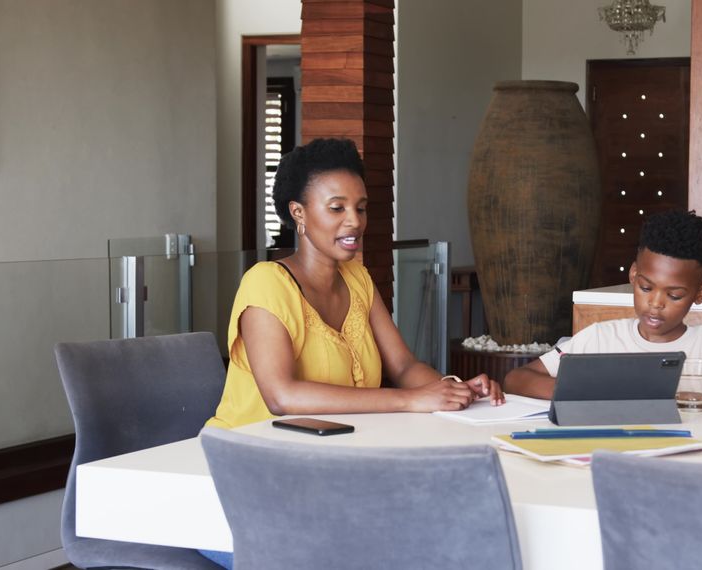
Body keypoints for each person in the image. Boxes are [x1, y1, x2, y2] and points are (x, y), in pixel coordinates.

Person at [207, 138, 503, 431]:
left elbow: (403, 367)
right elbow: (282, 396)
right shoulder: (266, 282)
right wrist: (409, 400)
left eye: (360, 209)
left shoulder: (357, 278)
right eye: (337, 208)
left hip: (330, 449)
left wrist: (454, 389)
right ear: (299, 212)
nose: (355, 221)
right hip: (243, 454)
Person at [504, 209, 702, 408]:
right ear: (633, 275)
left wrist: (684, 393)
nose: (656, 303)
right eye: (646, 288)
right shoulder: (599, 338)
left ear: (700, 294)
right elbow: (516, 379)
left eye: (675, 295)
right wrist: (589, 392)